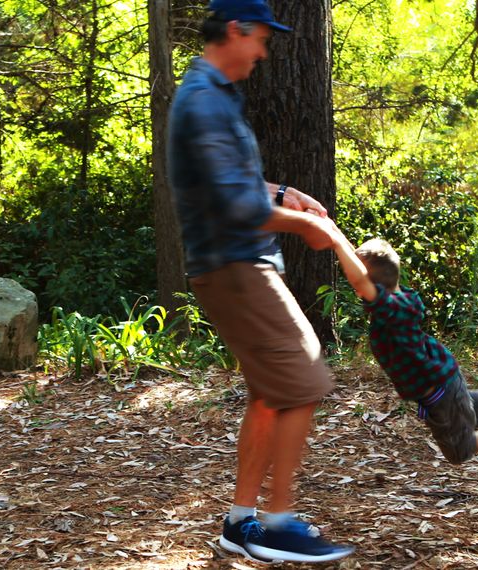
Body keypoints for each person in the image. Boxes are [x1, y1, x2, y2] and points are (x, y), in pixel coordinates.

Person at [166, 0, 356, 564]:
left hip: (235, 263)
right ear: (235, 29)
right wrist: (304, 226)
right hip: (235, 265)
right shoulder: (202, 100)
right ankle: (276, 524)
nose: (264, 52)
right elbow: (233, 204)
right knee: (303, 375)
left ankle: (240, 520)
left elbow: (232, 181)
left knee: (271, 394)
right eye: (261, 40)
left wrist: (284, 194)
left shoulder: (215, 95)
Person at [331, 236, 478, 464]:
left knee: (460, 449)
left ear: (370, 288)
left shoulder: (389, 311)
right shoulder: (403, 298)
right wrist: (330, 228)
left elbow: (360, 280)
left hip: (436, 391)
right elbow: (361, 272)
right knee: (468, 401)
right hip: (445, 375)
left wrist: (335, 241)